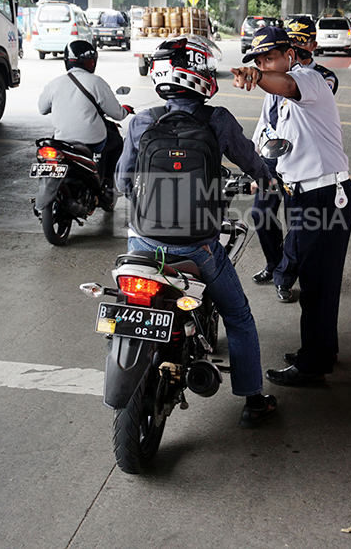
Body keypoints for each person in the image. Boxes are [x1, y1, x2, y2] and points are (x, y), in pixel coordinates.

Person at [115, 35, 279, 427]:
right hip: (198, 249)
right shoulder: (217, 120)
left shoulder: (142, 121)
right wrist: (267, 179)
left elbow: (122, 182)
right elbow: (253, 163)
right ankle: (253, 401)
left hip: (142, 243)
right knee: (239, 318)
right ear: (197, 74)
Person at [232, 26, 351, 388]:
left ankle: (312, 365)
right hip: (302, 195)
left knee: (317, 283)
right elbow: (278, 144)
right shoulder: (284, 102)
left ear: (290, 54)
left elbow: (283, 84)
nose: (264, 66)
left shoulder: (309, 80)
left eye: (269, 58)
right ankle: (320, 349)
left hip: (325, 195)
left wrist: (257, 76)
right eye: (257, 61)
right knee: (316, 279)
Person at [249, 17, 339, 304]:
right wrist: (255, 162)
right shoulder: (272, 79)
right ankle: (275, 264)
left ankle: (285, 277)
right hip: (271, 156)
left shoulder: (317, 78)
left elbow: (292, 91)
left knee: (296, 224)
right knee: (260, 214)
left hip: (299, 163)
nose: (297, 45)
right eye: (292, 39)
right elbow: (265, 122)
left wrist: (263, 76)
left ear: (312, 45)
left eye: (302, 40)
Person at [38, 40, 131, 204]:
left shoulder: (55, 82)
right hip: (92, 141)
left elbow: (42, 109)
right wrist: (126, 111)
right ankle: (108, 186)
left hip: (63, 141)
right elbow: (116, 114)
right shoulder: (96, 82)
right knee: (116, 142)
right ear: (91, 61)